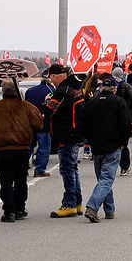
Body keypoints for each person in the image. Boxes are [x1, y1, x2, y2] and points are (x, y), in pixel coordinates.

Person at [0, 80, 43, 222]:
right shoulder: (27, 107)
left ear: (2, 91)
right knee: (21, 180)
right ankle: (20, 208)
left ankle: (9, 211)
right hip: (22, 149)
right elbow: (39, 124)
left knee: (6, 181)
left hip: (2, 150)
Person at [80, 76, 132, 223]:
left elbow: (83, 124)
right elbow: (126, 124)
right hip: (113, 145)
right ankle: (92, 207)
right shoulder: (119, 102)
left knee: (102, 179)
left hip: (96, 146)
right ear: (114, 89)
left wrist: (89, 140)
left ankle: (109, 209)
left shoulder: (92, 103)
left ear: (101, 88)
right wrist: (124, 142)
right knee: (106, 179)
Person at [43, 64, 85, 218]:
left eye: (52, 78)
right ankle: (77, 202)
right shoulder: (75, 88)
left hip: (66, 134)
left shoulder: (62, 91)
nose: (52, 82)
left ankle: (69, 204)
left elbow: (50, 111)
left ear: (55, 76)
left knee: (67, 170)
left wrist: (46, 101)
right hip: (75, 133)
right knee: (73, 169)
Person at [25, 69, 55, 177]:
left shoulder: (30, 90)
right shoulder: (51, 91)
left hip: (30, 123)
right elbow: (53, 108)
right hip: (44, 123)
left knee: (29, 146)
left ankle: (23, 169)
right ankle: (40, 169)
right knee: (44, 147)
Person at [113, 68, 132, 176]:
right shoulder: (126, 86)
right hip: (123, 114)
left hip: (109, 114)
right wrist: (129, 107)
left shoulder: (108, 84)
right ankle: (124, 167)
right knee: (123, 142)